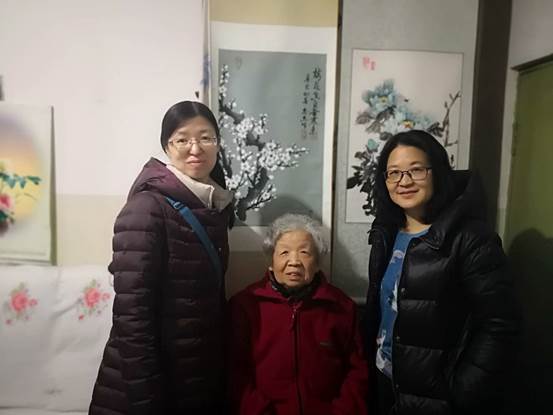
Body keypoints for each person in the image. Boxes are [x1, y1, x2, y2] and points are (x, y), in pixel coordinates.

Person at [89, 101, 234, 414]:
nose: (195, 148)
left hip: (190, 377)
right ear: (167, 147)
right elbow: (132, 318)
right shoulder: (146, 209)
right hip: (148, 386)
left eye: (206, 138)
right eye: (182, 139)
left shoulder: (212, 205)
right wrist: (147, 400)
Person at [364, 129, 518, 414]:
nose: (404, 181)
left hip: (439, 398)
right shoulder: (386, 233)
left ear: (437, 172)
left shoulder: (470, 238)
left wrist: (462, 392)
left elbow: (500, 323)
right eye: (394, 173)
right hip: (386, 382)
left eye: (416, 170)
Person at [228, 214, 368, 415]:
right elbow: (235, 373)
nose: (294, 261)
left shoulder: (341, 307)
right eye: (284, 252)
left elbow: (357, 372)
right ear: (271, 261)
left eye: (304, 252)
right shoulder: (245, 305)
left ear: (317, 263)